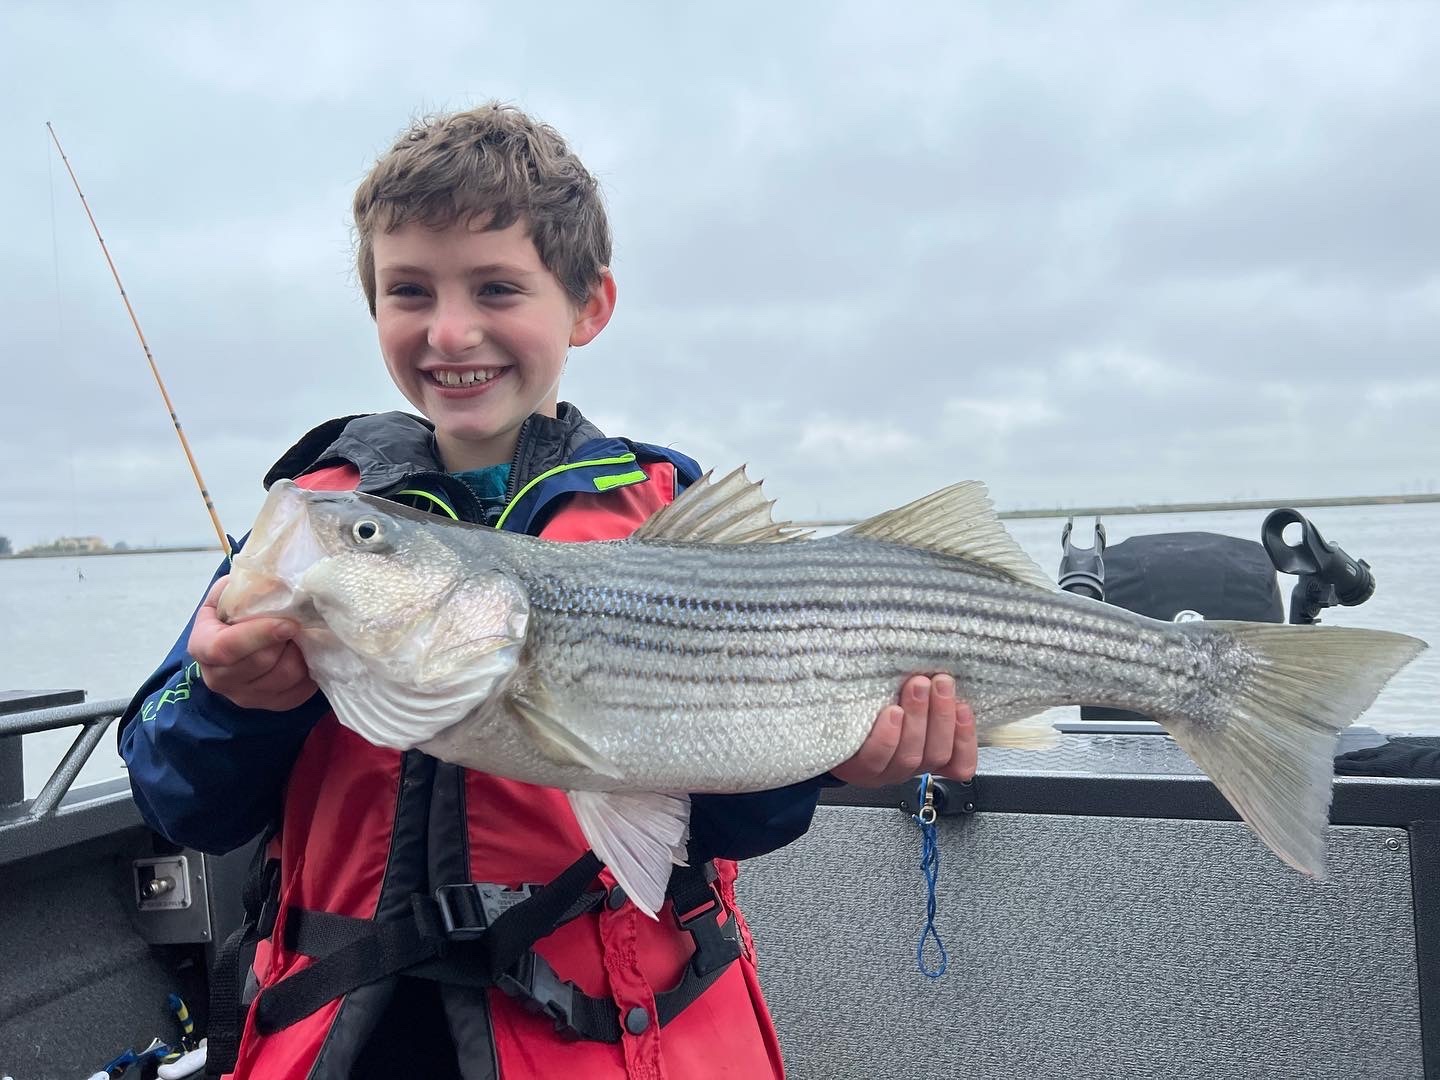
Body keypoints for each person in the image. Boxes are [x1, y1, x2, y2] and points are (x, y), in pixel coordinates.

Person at [119, 102, 978, 1080]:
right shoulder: (315, 528)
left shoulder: (667, 517)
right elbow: (179, 799)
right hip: (356, 1037)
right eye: (409, 290)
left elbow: (727, 826)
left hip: (604, 1041)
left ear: (588, 306)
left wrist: (827, 758)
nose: (450, 331)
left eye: (495, 288)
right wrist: (227, 706)